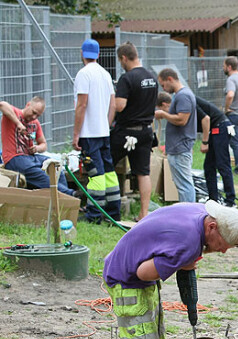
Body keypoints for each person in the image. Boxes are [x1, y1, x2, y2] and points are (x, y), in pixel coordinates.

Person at [90, 200, 238, 339]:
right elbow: (143, 272)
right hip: (127, 281)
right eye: (223, 244)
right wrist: (183, 261)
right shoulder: (188, 243)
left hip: (136, 278)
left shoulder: (201, 212)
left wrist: (187, 259)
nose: (223, 251)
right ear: (212, 227)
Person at [110, 42, 158, 221]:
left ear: (123, 58)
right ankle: (143, 213)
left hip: (126, 132)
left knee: (108, 165)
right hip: (146, 131)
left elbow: (120, 106)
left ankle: (110, 206)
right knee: (142, 172)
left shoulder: (127, 78)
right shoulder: (151, 77)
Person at [73, 39, 120, 222]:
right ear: (98, 54)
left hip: (88, 133)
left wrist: (76, 133)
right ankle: (113, 212)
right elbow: (113, 105)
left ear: (82, 53)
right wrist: (106, 126)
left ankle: (94, 215)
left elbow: (82, 105)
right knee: (109, 172)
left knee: (95, 174)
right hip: (103, 132)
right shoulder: (105, 74)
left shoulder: (83, 74)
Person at [0, 97, 76, 196]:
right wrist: (18, 124)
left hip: (31, 157)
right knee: (39, 174)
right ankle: (70, 195)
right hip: (14, 157)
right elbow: (2, 104)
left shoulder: (35, 123)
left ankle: (65, 200)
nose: (34, 117)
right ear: (28, 105)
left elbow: (44, 145)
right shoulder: (15, 114)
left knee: (56, 166)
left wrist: (36, 148)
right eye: (33, 112)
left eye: (37, 115)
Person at [154, 68, 197, 203]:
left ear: (170, 79)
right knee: (182, 185)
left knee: (184, 185)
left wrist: (163, 114)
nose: (164, 88)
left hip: (180, 147)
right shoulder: (179, 95)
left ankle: (188, 214)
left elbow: (182, 119)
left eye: (163, 84)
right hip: (178, 147)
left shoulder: (183, 96)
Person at [196, 96, 236, 207]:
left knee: (222, 164)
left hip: (220, 127)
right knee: (209, 166)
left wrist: (204, 142)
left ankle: (230, 201)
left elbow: (206, 119)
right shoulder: (186, 99)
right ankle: (213, 200)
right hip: (216, 128)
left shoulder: (186, 99)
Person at [223, 56, 238, 176]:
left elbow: (230, 95)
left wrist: (226, 108)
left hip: (233, 115)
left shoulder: (231, 79)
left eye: (224, 66)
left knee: (235, 143)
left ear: (229, 66)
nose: (223, 68)